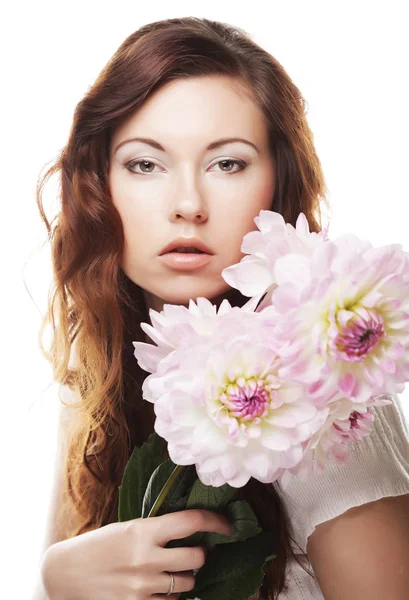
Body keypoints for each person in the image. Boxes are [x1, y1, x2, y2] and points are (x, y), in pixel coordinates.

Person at [32, 16, 409, 600]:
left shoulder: (322, 401)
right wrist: (57, 580)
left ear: (278, 184)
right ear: (97, 184)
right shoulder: (95, 378)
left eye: (227, 163)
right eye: (145, 164)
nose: (188, 204)